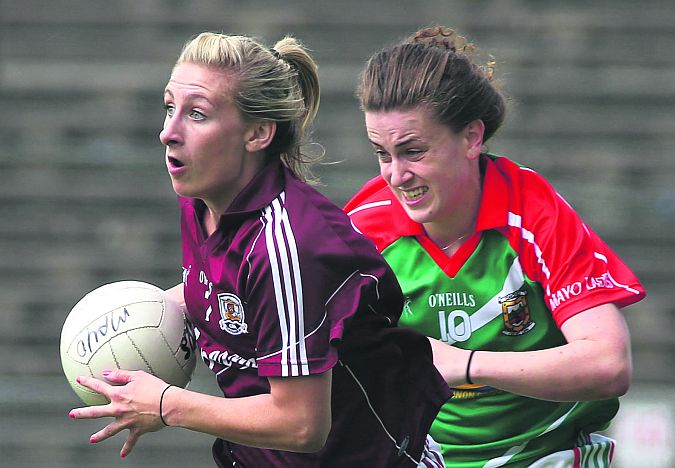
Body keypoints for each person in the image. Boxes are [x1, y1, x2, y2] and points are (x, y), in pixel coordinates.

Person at [68, 31, 452, 467]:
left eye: (196, 114)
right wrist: (140, 314)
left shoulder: (287, 247)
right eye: (169, 107)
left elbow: (302, 424)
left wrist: (165, 404)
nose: (167, 133)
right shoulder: (202, 202)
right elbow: (226, 289)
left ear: (258, 134)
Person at [344, 26, 646, 467]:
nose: (396, 176)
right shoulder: (362, 229)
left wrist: (464, 364)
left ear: (471, 138)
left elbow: (608, 364)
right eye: (382, 154)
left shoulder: (535, 213)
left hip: (548, 456)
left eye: (413, 151)